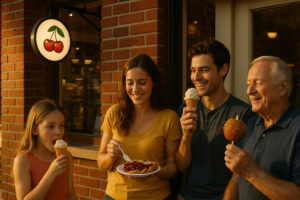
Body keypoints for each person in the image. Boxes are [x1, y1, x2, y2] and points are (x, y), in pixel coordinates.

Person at [175, 39, 253, 200]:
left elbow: (243, 173)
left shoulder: (243, 114)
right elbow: (182, 166)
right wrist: (186, 136)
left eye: (204, 70)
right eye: (193, 70)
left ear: (223, 69)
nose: (196, 77)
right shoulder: (185, 111)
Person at [97, 54, 182, 200]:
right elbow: (101, 162)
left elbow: (173, 168)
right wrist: (111, 157)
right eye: (130, 83)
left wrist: (153, 172)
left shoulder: (169, 118)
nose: (135, 89)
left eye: (142, 82)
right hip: (115, 195)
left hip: (155, 196)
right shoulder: (114, 113)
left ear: (153, 83)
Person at [223, 56, 300, 199]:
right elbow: (237, 177)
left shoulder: (297, 128)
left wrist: (252, 172)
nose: (249, 91)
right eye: (248, 84)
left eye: (257, 83)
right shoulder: (250, 124)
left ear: (283, 87)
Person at [12, 99, 76, 200]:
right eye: (51, 126)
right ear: (35, 130)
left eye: (62, 125)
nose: (58, 131)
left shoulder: (67, 156)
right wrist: (51, 173)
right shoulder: (22, 161)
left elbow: (71, 194)